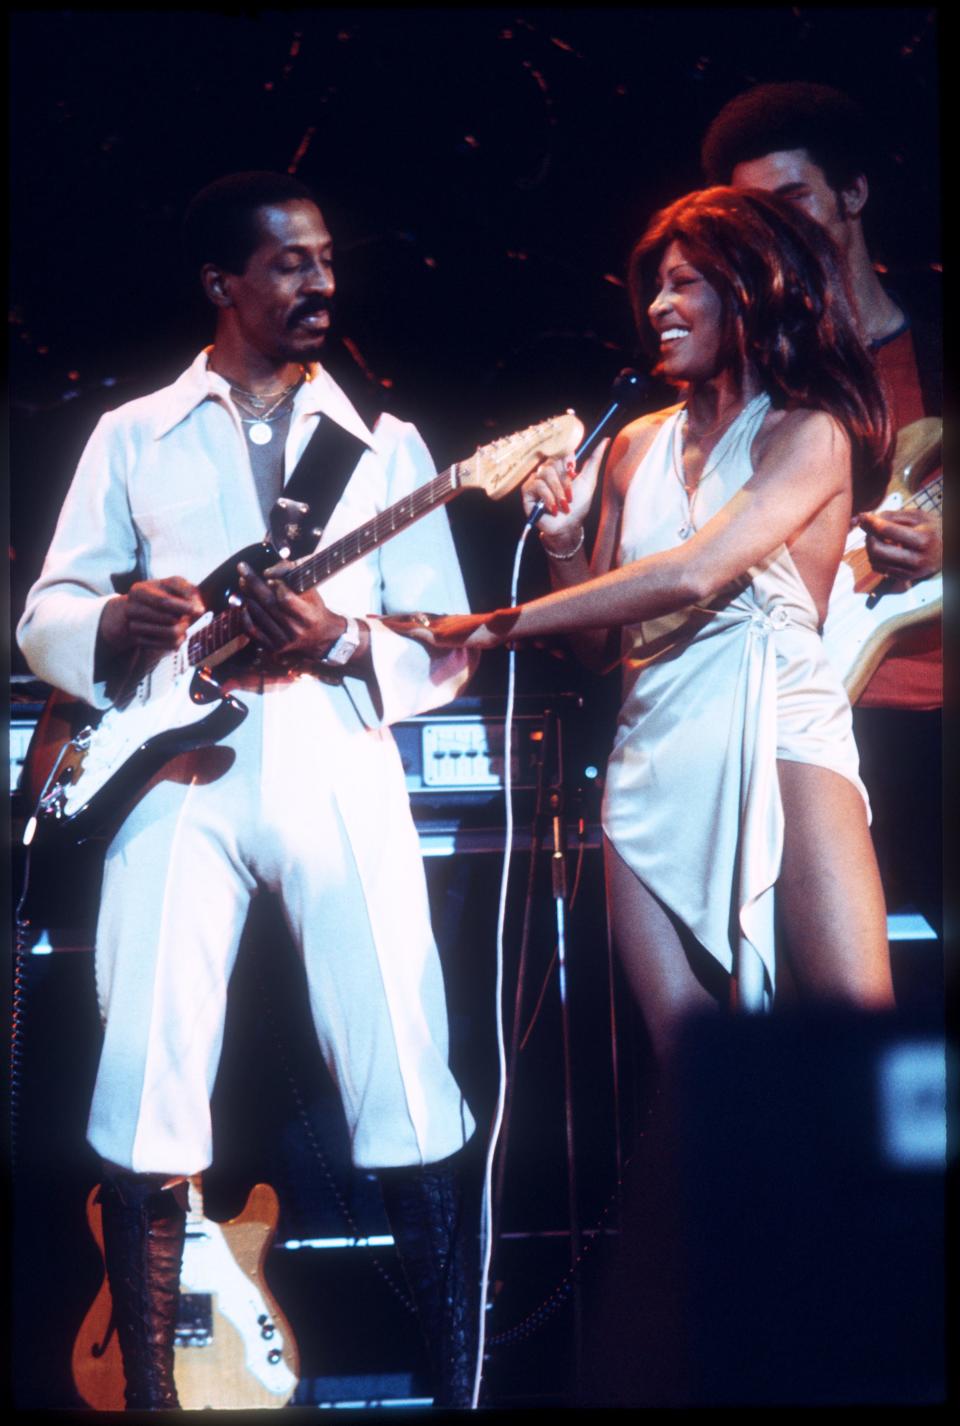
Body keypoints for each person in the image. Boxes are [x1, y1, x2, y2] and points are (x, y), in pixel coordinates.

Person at [17, 171, 480, 1409]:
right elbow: (47, 612)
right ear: (222, 284)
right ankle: (153, 1398)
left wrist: (339, 637)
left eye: (326, 259)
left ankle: (453, 1386)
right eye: (287, 263)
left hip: (333, 748)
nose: (319, 280)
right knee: (148, 1068)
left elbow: (447, 638)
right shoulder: (131, 434)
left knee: (402, 1059)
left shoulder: (388, 446)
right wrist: (115, 613)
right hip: (178, 770)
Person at [385, 186, 896, 1061]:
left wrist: (483, 626)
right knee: (699, 1079)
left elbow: (693, 572)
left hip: (782, 739)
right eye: (656, 288)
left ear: (752, 289)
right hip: (652, 751)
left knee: (857, 1055)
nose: (658, 307)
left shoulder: (810, 432)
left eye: (685, 283)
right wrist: (565, 537)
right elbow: (597, 643)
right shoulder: (632, 447)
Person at [701, 82, 943, 933]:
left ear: (853, 192)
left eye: (792, 199)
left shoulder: (938, 334)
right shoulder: (751, 371)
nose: (775, 228)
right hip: (813, 730)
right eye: (751, 214)